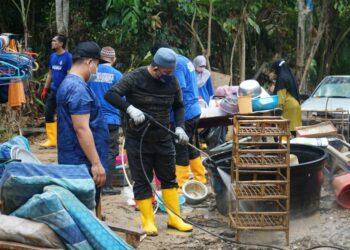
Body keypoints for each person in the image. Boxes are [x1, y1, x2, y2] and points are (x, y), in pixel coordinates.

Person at [105, 48, 193, 236]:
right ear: (155, 68)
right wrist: (129, 108)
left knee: (169, 178)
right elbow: (110, 94)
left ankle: (174, 218)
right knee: (143, 179)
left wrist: (180, 127)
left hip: (163, 139)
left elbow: (179, 106)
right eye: (166, 73)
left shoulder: (173, 82)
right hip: (138, 139)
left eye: (172, 72)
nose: (170, 76)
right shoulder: (135, 78)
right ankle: (147, 221)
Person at [56, 41, 107, 207]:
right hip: (81, 162)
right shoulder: (77, 89)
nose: (97, 70)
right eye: (97, 65)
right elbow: (81, 129)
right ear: (89, 62)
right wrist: (96, 163)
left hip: (73, 157)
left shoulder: (68, 83)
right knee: (83, 209)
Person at [151, 42, 207, 188]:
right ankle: (200, 178)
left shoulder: (176, 65)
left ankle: (181, 184)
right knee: (191, 145)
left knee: (180, 147)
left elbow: (178, 90)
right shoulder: (185, 59)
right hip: (194, 110)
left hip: (185, 113)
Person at [88, 46, 122, 196]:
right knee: (110, 151)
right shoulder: (117, 75)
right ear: (114, 60)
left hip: (92, 118)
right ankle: (106, 186)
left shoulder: (91, 73)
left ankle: (92, 183)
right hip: (111, 119)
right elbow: (122, 100)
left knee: (93, 148)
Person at [40, 34, 72, 148]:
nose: (52, 42)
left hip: (63, 92)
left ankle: (65, 140)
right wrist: (45, 88)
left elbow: (69, 75)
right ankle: (52, 140)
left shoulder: (68, 57)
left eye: (54, 41)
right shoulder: (53, 56)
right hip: (53, 91)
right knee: (48, 113)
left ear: (61, 44)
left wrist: (68, 90)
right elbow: (50, 74)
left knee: (63, 116)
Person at [271, 59, 302, 134]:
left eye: (275, 70)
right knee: (294, 131)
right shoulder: (290, 76)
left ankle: (285, 145)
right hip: (296, 105)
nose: (275, 72)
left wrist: (277, 113)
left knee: (284, 131)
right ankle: (293, 145)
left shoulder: (282, 78)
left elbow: (281, 97)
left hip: (289, 107)